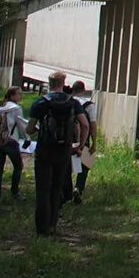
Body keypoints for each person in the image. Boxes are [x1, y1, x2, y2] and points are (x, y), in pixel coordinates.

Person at [27, 72, 86, 234]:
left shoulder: (40, 102)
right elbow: (85, 124)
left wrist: (41, 129)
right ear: (63, 82)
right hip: (64, 149)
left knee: (43, 188)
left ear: (49, 83)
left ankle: (42, 227)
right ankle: (53, 224)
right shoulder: (72, 103)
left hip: (44, 149)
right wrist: (80, 145)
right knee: (56, 187)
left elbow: (29, 128)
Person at [0, 88, 26, 202]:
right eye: (19, 94)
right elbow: (21, 125)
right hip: (11, 140)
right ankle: (15, 192)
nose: (21, 96)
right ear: (11, 96)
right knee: (18, 166)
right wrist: (26, 138)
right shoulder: (16, 108)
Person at [69, 80, 98, 201]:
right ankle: (78, 188)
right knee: (85, 164)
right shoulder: (89, 105)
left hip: (68, 138)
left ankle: (66, 189)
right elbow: (92, 125)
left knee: (67, 164)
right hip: (83, 138)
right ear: (84, 90)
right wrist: (94, 143)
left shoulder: (68, 102)